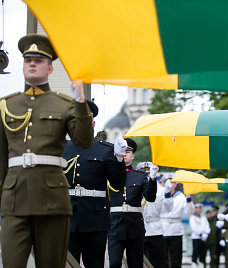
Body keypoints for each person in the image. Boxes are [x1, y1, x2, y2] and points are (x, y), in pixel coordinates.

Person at [0, 34, 94, 268]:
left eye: (39, 60)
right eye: (28, 59)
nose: (32, 63)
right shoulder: (6, 105)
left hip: (52, 200)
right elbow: (1, 160)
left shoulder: (65, 104)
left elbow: (83, 142)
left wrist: (81, 100)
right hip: (14, 200)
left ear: (50, 68)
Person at [64, 100, 127, 267]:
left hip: (95, 218)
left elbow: (118, 184)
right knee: (68, 263)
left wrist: (119, 160)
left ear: (92, 123)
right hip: (67, 216)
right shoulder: (61, 148)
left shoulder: (105, 149)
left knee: (95, 263)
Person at [107, 138, 158, 268]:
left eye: (128, 151)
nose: (124, 154)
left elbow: (150, 198)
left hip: (134, 225)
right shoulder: (109, 175)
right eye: (122, 151)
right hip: (115, 224)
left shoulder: (140, 175)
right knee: (114, 264)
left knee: (135, 264)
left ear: (132, 155)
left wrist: (152, 178)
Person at [161, 176, 195, 268]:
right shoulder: (160, 193)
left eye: (173, 182)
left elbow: (189, 212)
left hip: (176, 229)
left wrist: (188, 197)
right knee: (163, 258)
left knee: (176, 257)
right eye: (168, 182)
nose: (171, 184)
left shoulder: (180, 196)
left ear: (176, 184)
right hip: (162, 228)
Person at [140, 164, 167, 268]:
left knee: (158, 261)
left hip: (156, 229)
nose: (148, 174)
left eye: (149, 172)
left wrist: (168, 195)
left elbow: (168, 209)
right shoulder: (136, 186)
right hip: (140, 227)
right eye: (145, 173)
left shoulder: (161, 189)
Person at [189, 203, 211, 268]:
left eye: (200, 208)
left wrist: (206, 234)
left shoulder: (203, 217)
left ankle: (202, 265)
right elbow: (193, 228)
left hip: (203, 238)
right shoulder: (192, 217)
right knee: (195, 252)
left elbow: (207, 227)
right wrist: (200, 234)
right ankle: (194, 264)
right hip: (196, 237)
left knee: (202, 253)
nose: (198, 210)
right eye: (197, 208)